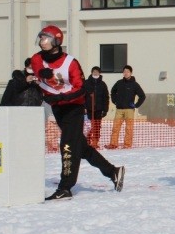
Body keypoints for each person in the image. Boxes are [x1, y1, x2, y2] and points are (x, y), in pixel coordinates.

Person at [30, 25, 124, 200]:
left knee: (67, 145)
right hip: (58, 108)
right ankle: (113, 171)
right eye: (41, 38)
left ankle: (65, 187)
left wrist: (62, 98)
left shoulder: (70, 63)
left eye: (45, 39)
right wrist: (41, 73)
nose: (42, 42)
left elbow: (81, 89)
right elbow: (35, 67)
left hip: (73, 108)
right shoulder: (37, 58)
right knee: (81, 148)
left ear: (56, 41)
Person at [108, 65, 145, 149]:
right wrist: (114, 100)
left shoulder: (135, 85)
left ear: (131, 73)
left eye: (127, 72)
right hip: (119, 109)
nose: (126, 73)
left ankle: (127, 145)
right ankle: (113, 144)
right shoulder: (119, 83)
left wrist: (136, 105)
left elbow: (142, 96)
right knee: (115, 128)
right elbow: (113, 91)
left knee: (129, 129)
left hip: (129, 110)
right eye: (124, 71)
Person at [84, 66, 110, 148]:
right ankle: (87, 141)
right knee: (88, 126)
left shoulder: (103, 84)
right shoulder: (86, 83)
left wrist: (105, 109)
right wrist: (83, 107)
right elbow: (82, 96)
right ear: (91, 72)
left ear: (99, 73)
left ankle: (95, 142)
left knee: (97, 126)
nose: (95, 73)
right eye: (94, 72)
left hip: (99, 109)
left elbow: (106, 97)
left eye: (97, 72)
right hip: (88, 109)